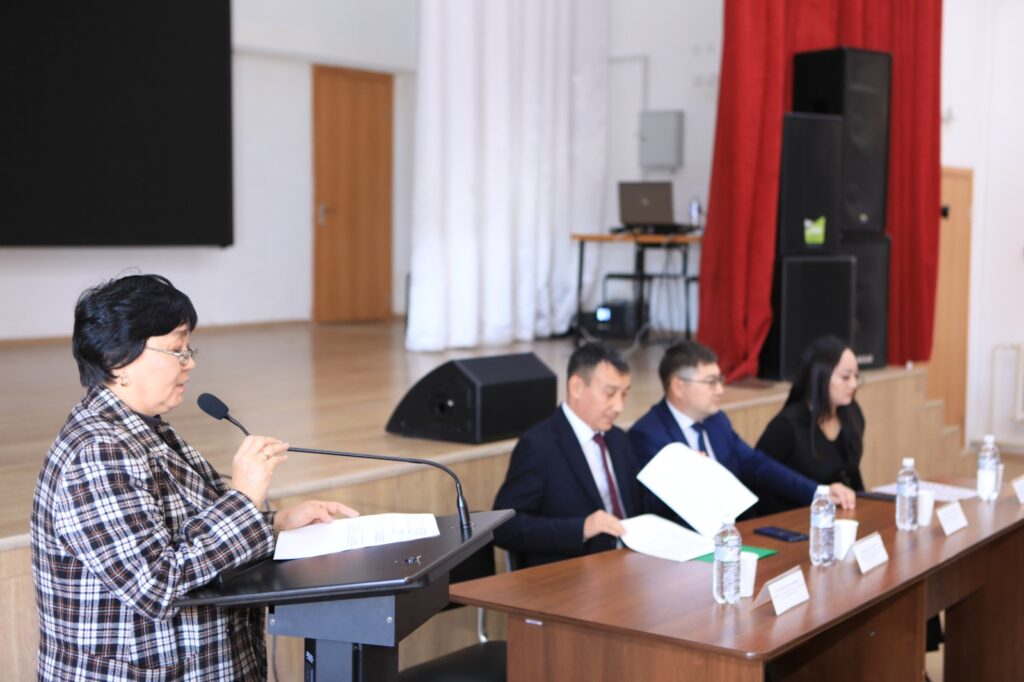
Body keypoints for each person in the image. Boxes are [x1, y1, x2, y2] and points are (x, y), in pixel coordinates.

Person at [30, 274, 358, 680]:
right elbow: (157, 584)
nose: (190, 363)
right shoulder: (97, 454)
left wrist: (278, 524)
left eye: (188, 349)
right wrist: (244, 499)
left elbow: (193, 531)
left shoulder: (146, 429)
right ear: (119, 361)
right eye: (176, 350)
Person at [628, 340, 856, 519]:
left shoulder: (717, 421)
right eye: (711, 382)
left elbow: (757, 464)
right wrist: (682, 478)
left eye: (720, 380)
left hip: (738, 530)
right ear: (678, 386)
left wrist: (819, 492)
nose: (720, 390)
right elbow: (650, 508)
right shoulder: (648, 435)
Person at [493, 343, 646, 569]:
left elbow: (638, 505)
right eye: (610, 394)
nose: (618, 407)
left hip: (630, 564)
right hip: (572, 572)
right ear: (576, 387)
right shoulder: (539, 445)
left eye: (624, 395)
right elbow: (505, 527)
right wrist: (581, 528)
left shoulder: (618, 439)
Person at [754, 335, 865, 514]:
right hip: (795, 517)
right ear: (820, 377)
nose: (853, 384)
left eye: (856, 376)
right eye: (845, 377)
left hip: (839, 513)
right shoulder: (786, 426)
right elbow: (760, 477)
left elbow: (852, 473)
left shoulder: (852, 413)